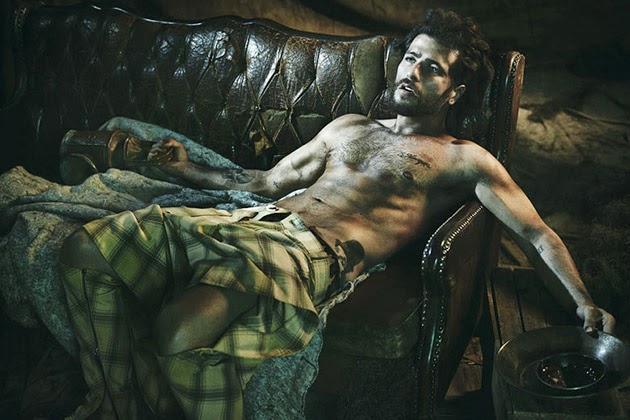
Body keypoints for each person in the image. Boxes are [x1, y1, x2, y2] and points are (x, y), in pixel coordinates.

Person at [59, 9, 615, 420]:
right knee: (83, 250)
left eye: (432, 69)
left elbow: (536, 234)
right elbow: (262, 183)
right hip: (246, 223)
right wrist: (186, 169)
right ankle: (115, 405)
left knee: (179, 330)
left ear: (453, 92)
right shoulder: (348, 127)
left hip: (307, 251)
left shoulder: (463, 159)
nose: (412, 72)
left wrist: (582, 300)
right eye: (411, 58)